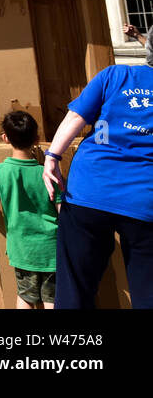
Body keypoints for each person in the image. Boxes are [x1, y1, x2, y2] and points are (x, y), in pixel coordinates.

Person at [43, 55, 153, 308]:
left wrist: (52, 157)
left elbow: (75, 118)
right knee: (148, 293)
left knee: (74, 290)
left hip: (89, 192)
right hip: (144, 202)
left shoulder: (114, 75)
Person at [0, 111, 57, 309]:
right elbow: (62, 209)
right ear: (37, 139)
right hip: (52, 248)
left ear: (5, 138)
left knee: (25, 296)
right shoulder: (47, 173)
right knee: (52, 299)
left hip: (23, 249)